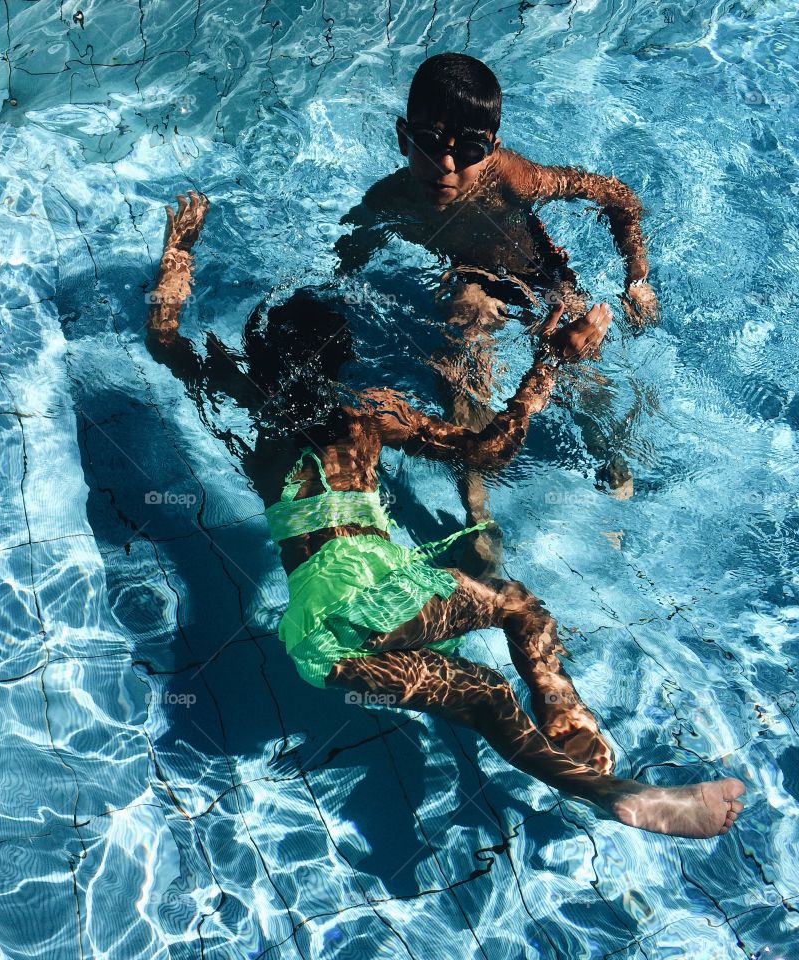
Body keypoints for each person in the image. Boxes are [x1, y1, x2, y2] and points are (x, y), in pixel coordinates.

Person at [144, 190, 744, 838]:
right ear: (341, 362)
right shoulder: (364, 414)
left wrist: (178, 253)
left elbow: (166, 341)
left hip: (313, 637)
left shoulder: (255, 408)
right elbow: (488, 450)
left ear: (265, 364)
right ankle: (564, 715)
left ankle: (606, 792)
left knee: (486, 699)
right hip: (371, 591)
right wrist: (547, 365)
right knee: (516, 605)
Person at [336, 53, 656, 571]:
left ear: (492, 151)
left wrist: (636, 279)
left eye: (467, 151)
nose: (446, 167)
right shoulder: (389, 200)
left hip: (540, 279)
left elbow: (619, 196)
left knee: (581, 370)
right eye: (428, 144)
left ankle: (611, 458)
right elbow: (348, 254)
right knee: (462, 329)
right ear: (401, 136)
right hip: (470, 281)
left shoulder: (515, 180)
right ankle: (477, 512)